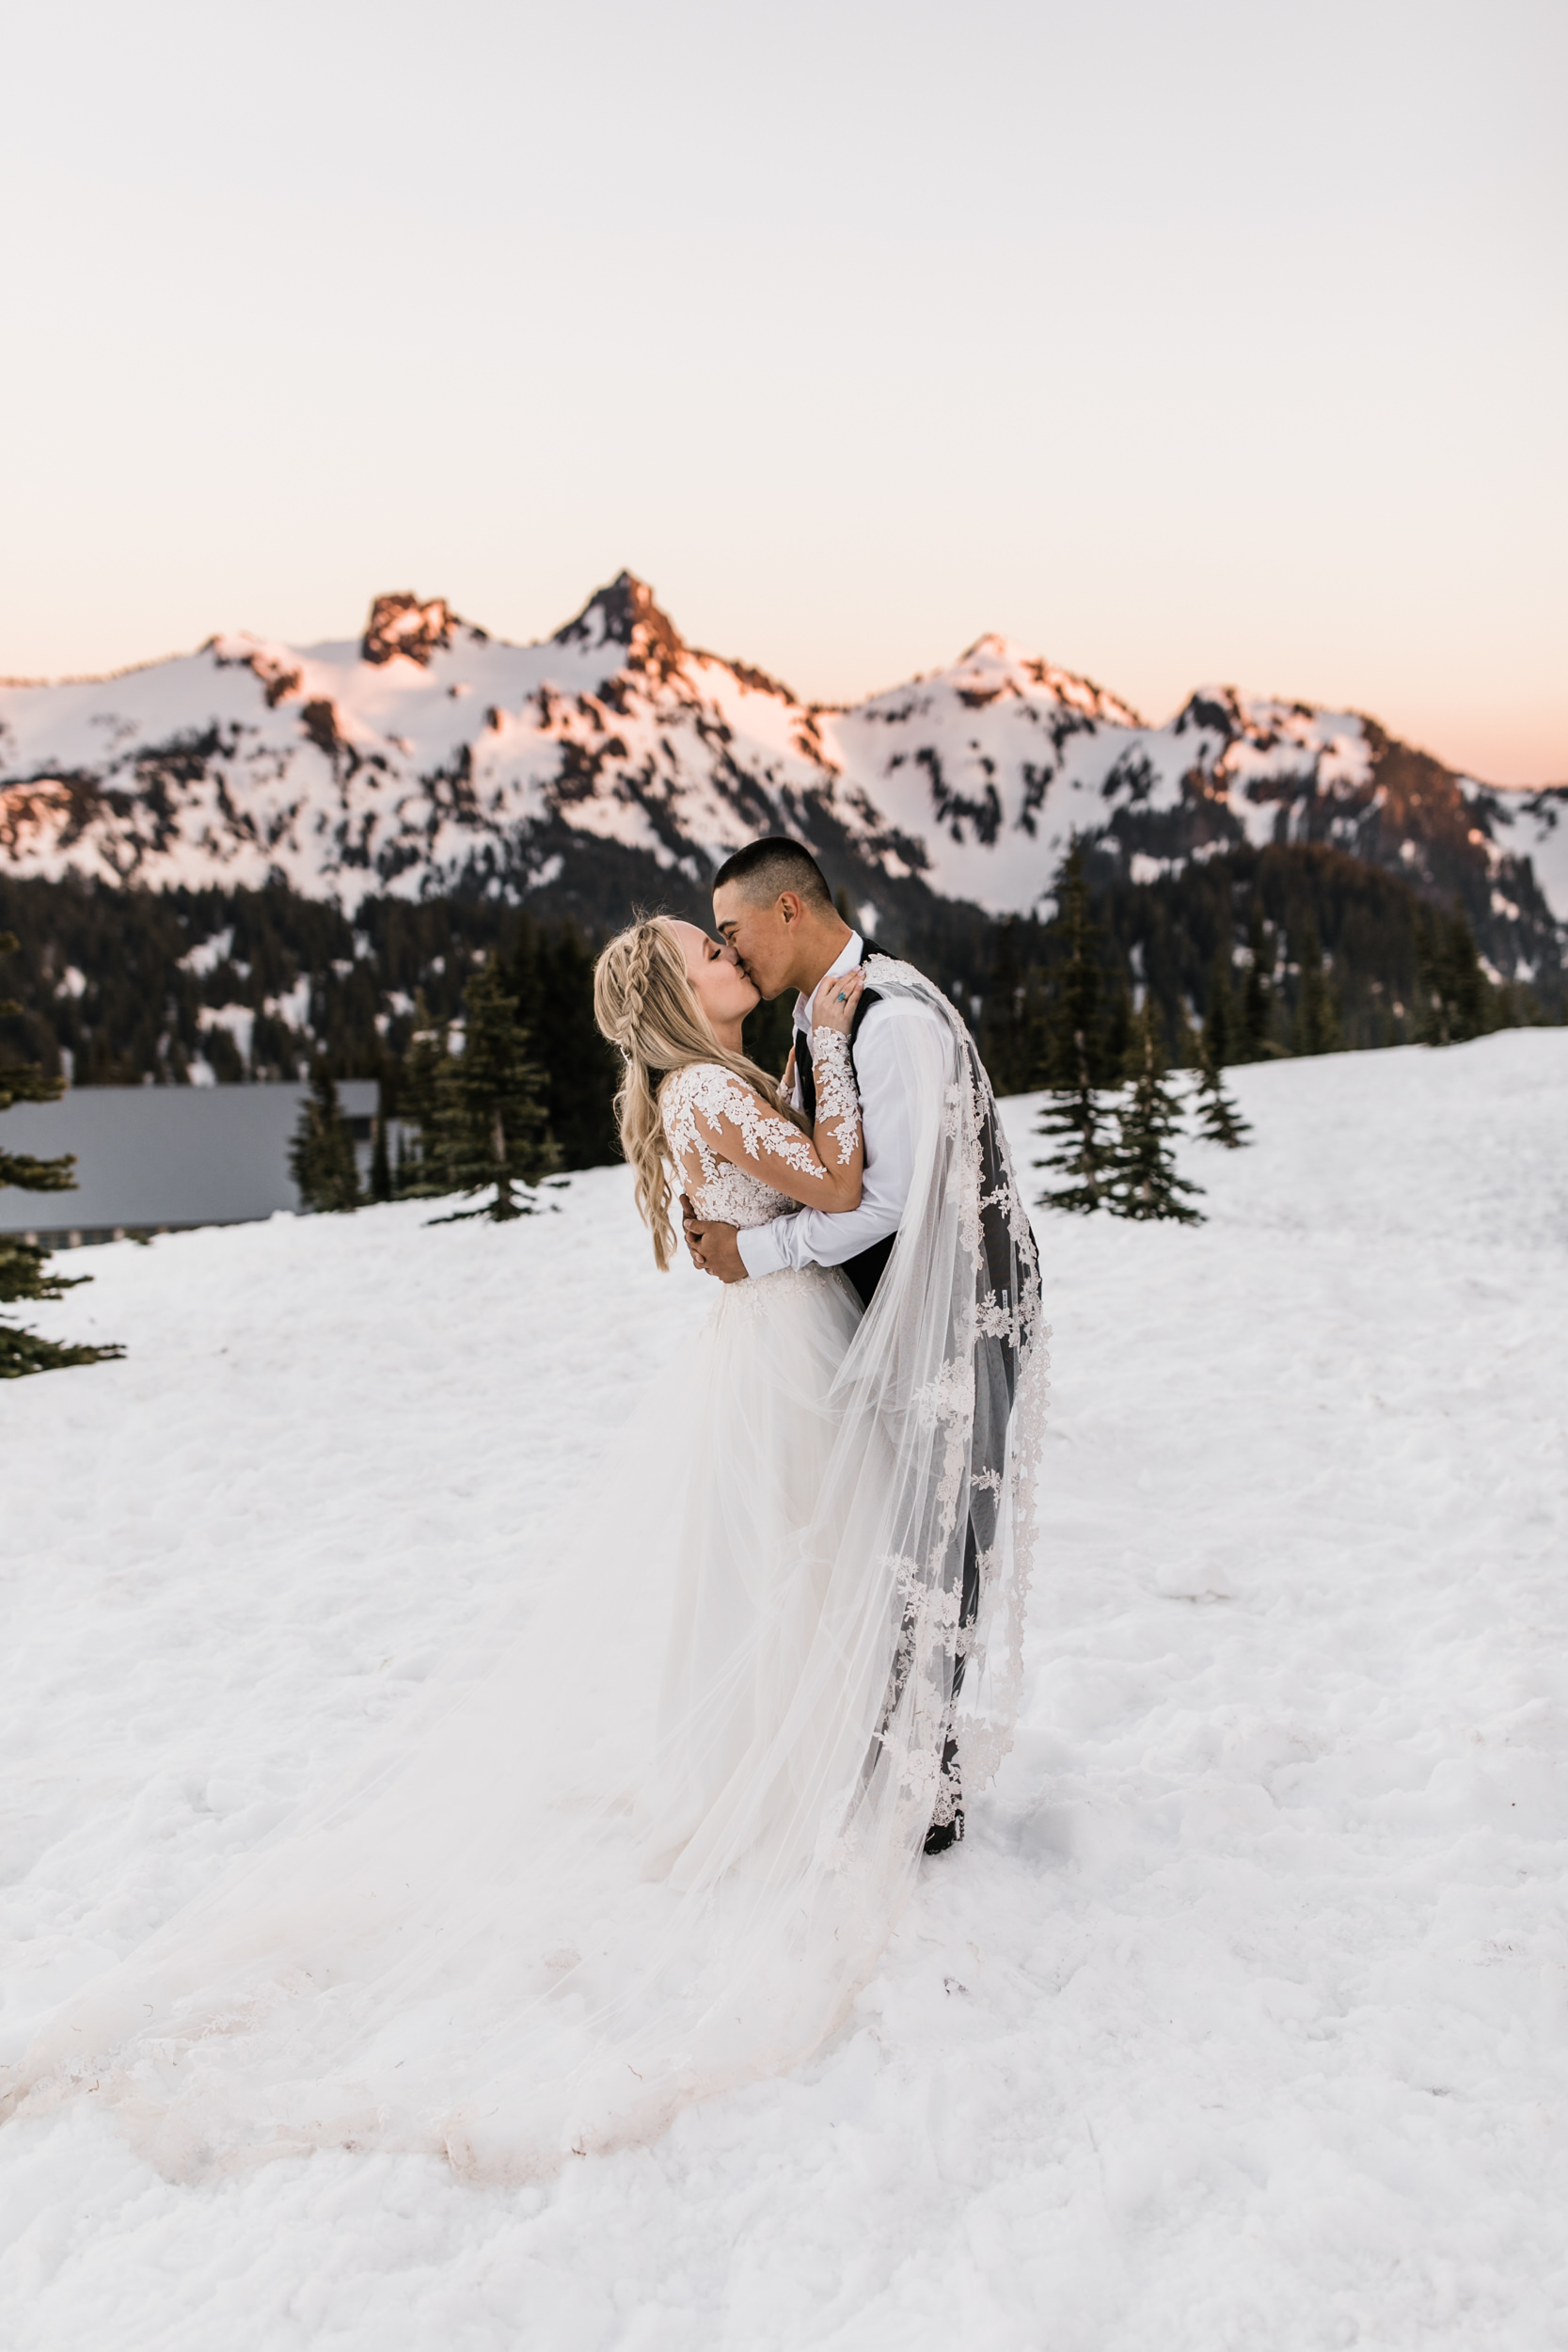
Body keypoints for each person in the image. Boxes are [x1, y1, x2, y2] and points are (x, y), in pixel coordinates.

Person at [1, 881, 1045, 2187]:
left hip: (771, 1338)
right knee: (811, 1552)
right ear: (671, 993)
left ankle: (804, 1758)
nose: (724, 953)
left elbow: (764, 1201)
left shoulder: (710, 1082)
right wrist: (831, 1039)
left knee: (792, 1560)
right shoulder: (714, 1087)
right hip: (781, 1352)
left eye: (722, 938)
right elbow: (839, 1176)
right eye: (700, 949)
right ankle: (799, 1776)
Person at [685, 837, 1036, 1851]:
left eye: (736, 931)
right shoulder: (819, 1019)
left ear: (788, 910)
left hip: (956, 1305)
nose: (730, 951)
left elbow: (885, 1203)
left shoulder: (889, 1023)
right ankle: (881, 1761)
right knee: (882, 1529)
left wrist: (755, 1251)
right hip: (881, 1311)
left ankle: (923, 1786)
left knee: (938, 1532)